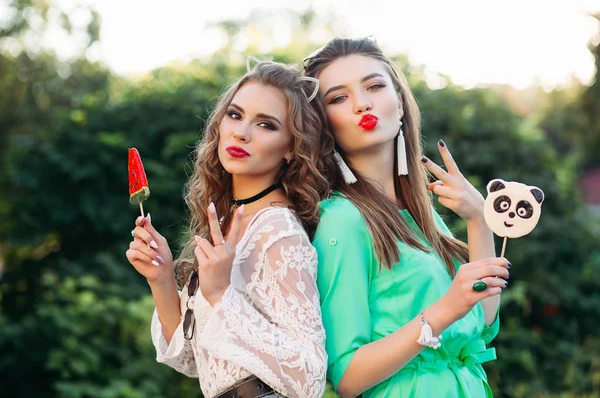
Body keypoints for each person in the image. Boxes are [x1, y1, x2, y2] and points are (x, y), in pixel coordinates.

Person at [303, 37, 510, 397]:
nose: (362, 103)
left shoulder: (421, 212)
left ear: (399, 102)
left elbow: (482, 320)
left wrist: (478, 219)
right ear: (323, 124)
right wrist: (444, 310)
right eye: (338, 98)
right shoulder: (342, 220)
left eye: (374, 86)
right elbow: (347, 376)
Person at [126, 58, 332, 398]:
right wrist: (161, 279)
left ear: (292, 149)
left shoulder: (278, 232)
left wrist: (222, 295)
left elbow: (309, 377)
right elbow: (191, 362)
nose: (241, 132)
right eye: (235, 115)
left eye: (266, 125)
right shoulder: (227, 221)